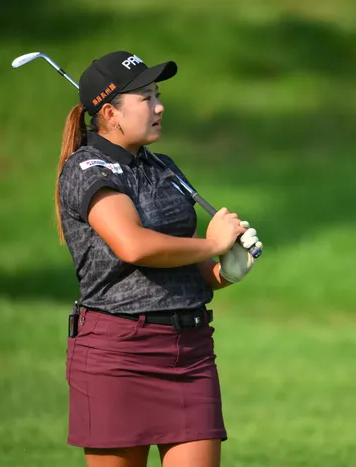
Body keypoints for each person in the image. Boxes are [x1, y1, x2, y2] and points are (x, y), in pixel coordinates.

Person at [54, 50, 263, 467]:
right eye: (146, 98)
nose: (159, 106)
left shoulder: (163, 167)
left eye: (158, 95)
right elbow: (134, 246)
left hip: (189, 351)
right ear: (110, 113)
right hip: (118, 356)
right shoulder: (87, 169)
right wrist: (213, 244)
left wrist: (225, 271)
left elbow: (183, 260)